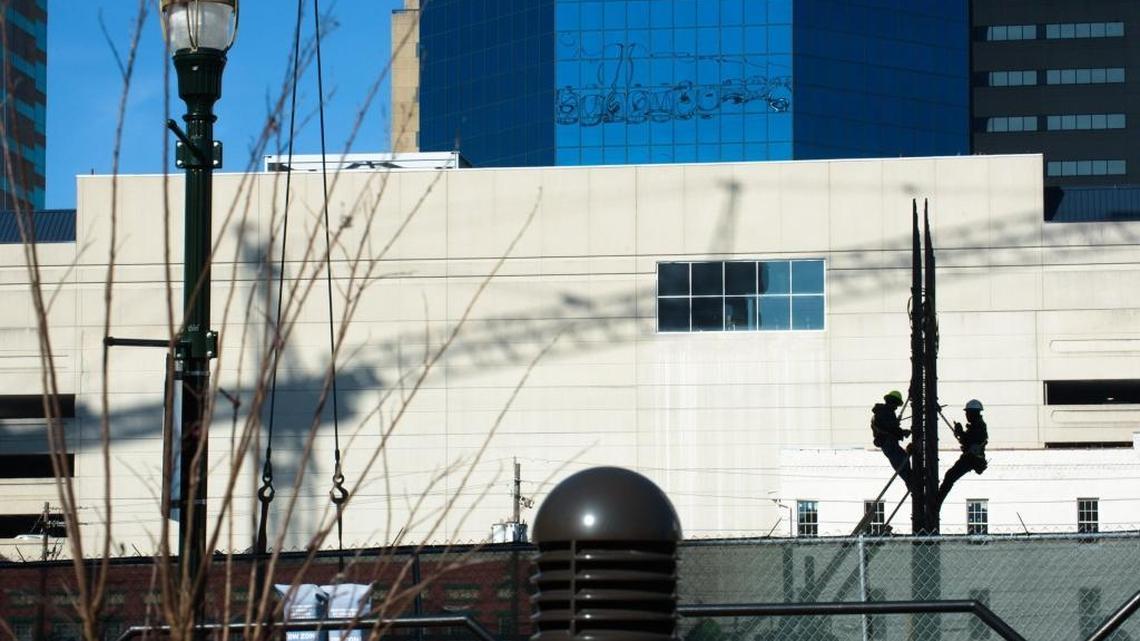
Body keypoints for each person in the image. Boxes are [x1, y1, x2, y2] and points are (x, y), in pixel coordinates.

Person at [937, 399, 989, 506]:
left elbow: (970, 441)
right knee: (950, 476)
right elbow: (968, 440)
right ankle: (937, 500)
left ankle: (937, 502)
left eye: (967, 413)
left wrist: (961, 433)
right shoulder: (977, 425)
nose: (966, 415)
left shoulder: (978, 426)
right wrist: (961, 433)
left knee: (950, 476)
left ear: (973, 413)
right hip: (971, 458)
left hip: (972, 459)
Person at [871, 390, 912, 487]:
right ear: (891, 402)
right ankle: (912, 484)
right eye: (896, 404)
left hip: (890, 443)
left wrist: (899, 430)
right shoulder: (884, 413)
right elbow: (888, 428)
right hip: (888, 444)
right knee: (902, 464)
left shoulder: (884, 412)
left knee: (904, 460)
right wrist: (902, 432)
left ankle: (912, 482)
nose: (896, 407)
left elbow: (891, 428)